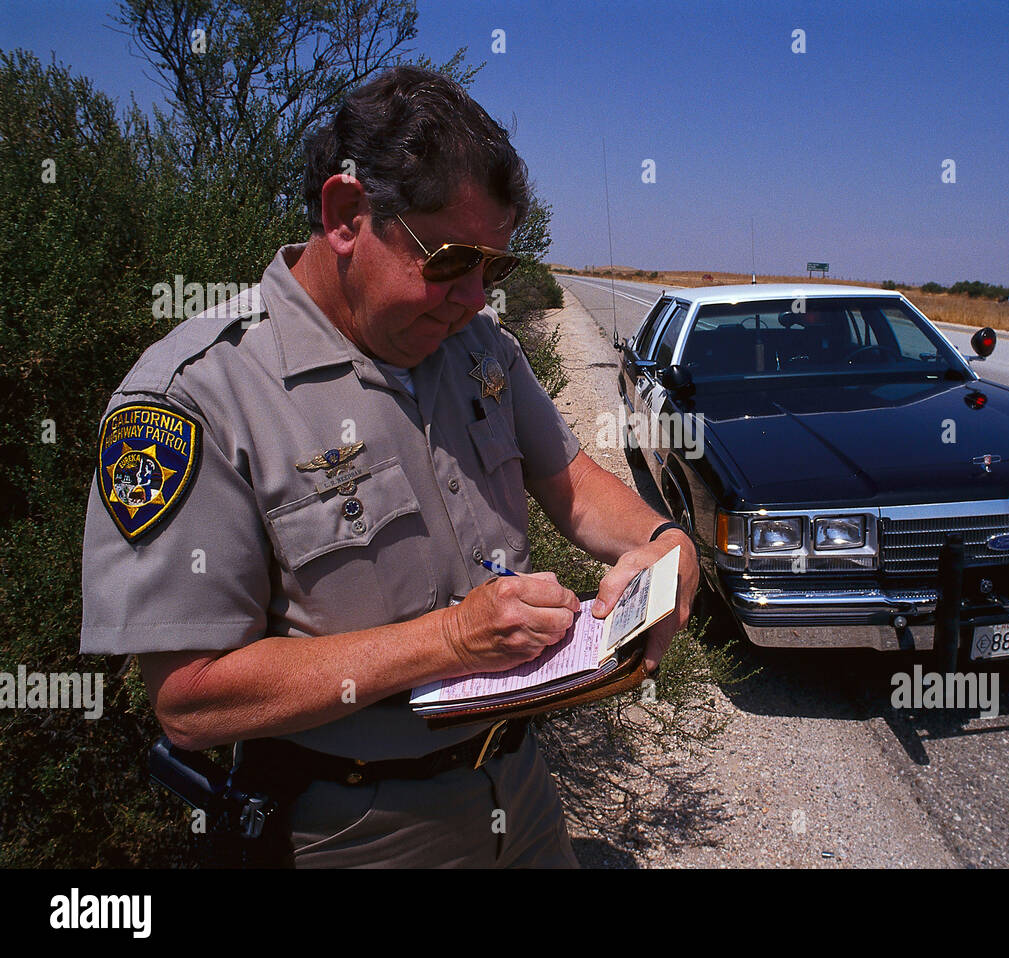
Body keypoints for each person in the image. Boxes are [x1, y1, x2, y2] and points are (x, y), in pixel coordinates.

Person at [80, 66, 698, 868]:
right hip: (352, 829)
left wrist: (665, 540)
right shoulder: (195, 397)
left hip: (521, 791)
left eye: (496, 269)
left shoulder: (475, 347)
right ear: (346, 215)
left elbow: (572, 482)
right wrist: (450, 641)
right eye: (452, 260)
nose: (476, 297)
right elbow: (191, 700)